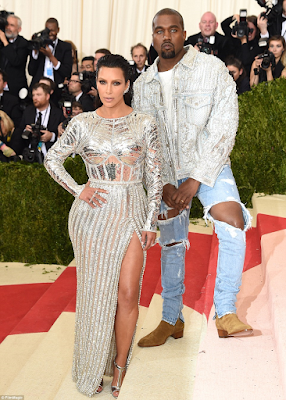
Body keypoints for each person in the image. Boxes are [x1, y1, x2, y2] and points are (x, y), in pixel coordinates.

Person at [132, 8, 253, 346]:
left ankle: (226, 311)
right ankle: (172, 318)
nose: (166, 36)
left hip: (209, 167)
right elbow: (146, 140)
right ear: (152, 35)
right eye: (159, 31)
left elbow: (225, 125)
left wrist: (195, 178)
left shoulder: (210, 69)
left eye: (173, 30)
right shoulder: (142, 86)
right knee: (171, 240)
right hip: (167, 177)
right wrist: (165, 183)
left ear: (184, 34)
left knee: (232, 223)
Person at [44, 54, 162, 398]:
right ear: (95, 83)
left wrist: (151, 220)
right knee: (96, 294)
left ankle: (120, 364)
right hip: (92, 217)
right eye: (102, 82)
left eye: (115, 83)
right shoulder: (82, 123)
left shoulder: (145, 122)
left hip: (132, 209)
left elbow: (155, 176)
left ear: (127, 85)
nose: (108, 90)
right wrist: (79, 189)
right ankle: (94, 364)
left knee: (127, 293)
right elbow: (52, 159)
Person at [28, 18, 73, 102]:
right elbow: (31, 71)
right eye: (47, 30)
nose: (50, 33)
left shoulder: (65, 47)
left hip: (57, 90)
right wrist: (35, 50)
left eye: (52, 30)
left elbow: (66, 71)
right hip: (38, 89)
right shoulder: (39, 45)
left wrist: (50, 56)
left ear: (58, 30)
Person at [17, 82, 64, 161]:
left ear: (47, 96)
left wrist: (51, 136)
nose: (35, 98)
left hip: (50, 155)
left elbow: (63, 136)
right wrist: (26, 131)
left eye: (38, 95)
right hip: (30, 154)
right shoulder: (28, 111)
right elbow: (19, 131)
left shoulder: (58, 113)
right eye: (33, 95)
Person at [0, 15, 29, 97]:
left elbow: (16, 61)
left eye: (12, 25)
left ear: (19, 29)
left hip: (16, 88)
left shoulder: (24, 43)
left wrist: (5, 42)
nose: (8, 27)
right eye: (7, 24)